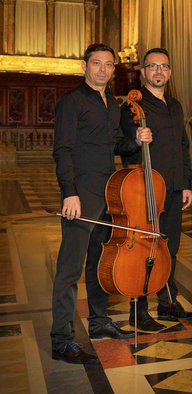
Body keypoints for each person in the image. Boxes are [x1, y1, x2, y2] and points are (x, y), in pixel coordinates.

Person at [51, 43, 151, 364]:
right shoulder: (71, 102)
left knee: (99, 261)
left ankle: (98, 322)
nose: (102, 70)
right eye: (96, 63)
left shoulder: (112, 104)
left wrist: (135, 140)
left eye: (108, 65)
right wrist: (69, 192)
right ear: (84, 66)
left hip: (109, 193)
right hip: (82, 195)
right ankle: (62, 339)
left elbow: (114, 146)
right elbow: (63, 150)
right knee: (70, 268)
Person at [119, 48, 192, 332]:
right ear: (143, 72)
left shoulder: (175, 106)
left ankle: (167, 303)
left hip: (173, 190)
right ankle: (138, 310)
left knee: (170, 248)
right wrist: (137, 141)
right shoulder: (131, 106)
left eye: (164, 66)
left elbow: (182, 146)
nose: (159, 72)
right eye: (153, 66)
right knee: (143, 250)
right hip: (146, 191)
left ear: (170, 72)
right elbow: (122, 146)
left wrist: (186, 183)